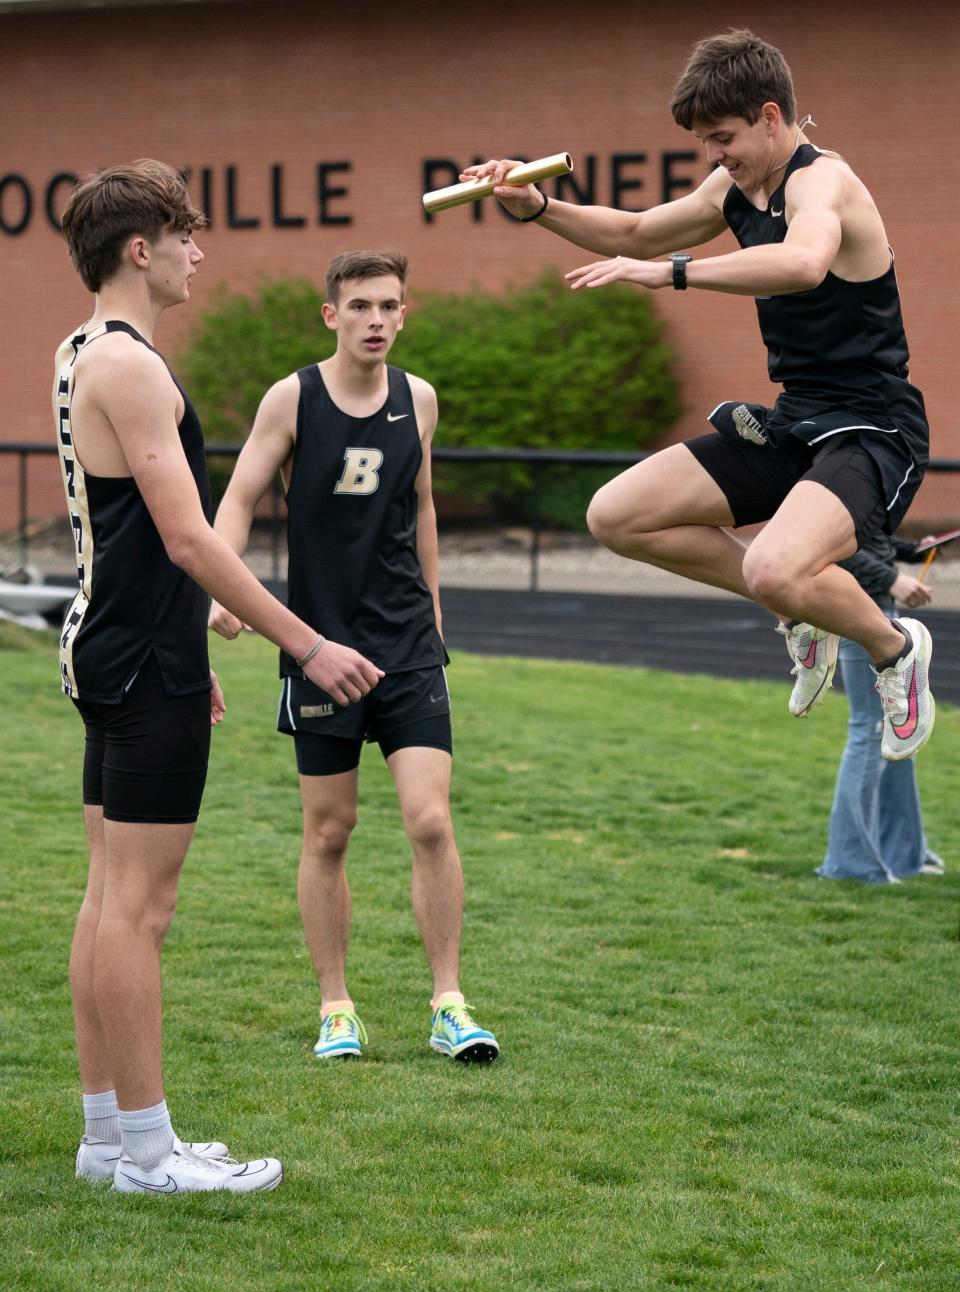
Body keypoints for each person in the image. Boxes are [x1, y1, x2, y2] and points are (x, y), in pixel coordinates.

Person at [464, 29, 934, 762]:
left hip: (872, 429)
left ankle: (895, 648)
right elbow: (639, 231)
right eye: (705, 142)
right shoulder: (734, 188)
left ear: (771, 117)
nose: (715, 155)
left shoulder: (823, 182)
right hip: (797, 419)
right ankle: (796, 613)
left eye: (724, 137)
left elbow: (805, 263)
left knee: (773, 565)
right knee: (616, 515)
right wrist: (535, 207)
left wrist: (676, 274)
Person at [55, 160, 382, 1195]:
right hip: (139, 656)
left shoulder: (81, 350)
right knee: (138, 910)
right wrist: (308, 644)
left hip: (122, 650)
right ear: (140, 248)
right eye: (187, 236)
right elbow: (190, 540)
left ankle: (109, 1139)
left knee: (110, 897)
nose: (201, 252)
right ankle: (149, 1152)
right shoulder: (131, 365)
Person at [209, 249, 499, 1064]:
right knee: (330, 830)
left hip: (407, 644)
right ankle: (336, 1005)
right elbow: (236, 500)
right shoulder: (292, 399)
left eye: (391, 305)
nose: (377, 319)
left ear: (405, 314)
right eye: (361, 305)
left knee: (431, 819)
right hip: (319, 643)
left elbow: (423, 504)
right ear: (331, 315)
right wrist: (222, 590)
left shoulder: (420, 400)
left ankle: (449, 1001)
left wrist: (436, 613)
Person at [817, 535, 943, 885]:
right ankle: (850, 864)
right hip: (861, 617)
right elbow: (835, 543)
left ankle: (905, 856)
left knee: (901, 737)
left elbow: (869, 537)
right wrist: (891, 580)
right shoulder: (842, 481)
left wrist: (914, 548)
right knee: (870, 734)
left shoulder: (862, 485)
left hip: (878, 615)